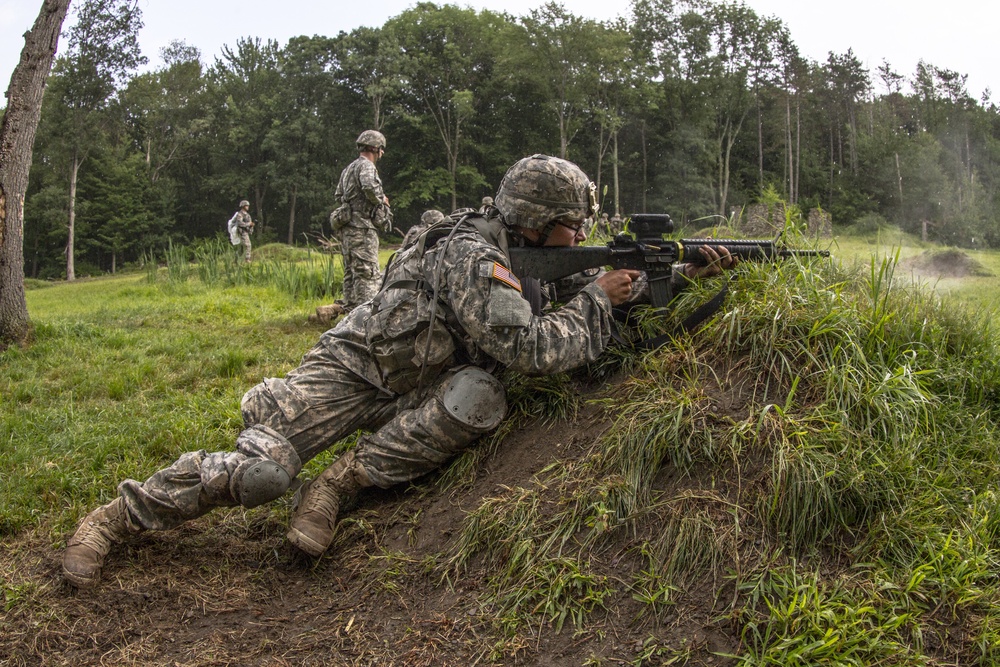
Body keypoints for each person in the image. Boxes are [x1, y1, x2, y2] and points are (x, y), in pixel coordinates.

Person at [61, 154, 736, 587]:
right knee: (264, 472)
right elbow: (533, 347)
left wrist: (669, 274)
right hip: (350, 371)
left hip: (417, 387)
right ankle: (117, 515)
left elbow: (576, 289)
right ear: (535, 223)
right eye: (572, 225)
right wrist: (598, 299)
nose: (579, 236)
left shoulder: (530, 253)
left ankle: (340, 484)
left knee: (479, 394)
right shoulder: (476, 255)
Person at [331, 130, 390, 312]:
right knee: (367, 273)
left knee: (351, 272)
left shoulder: (348, 168)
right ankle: (367, 317)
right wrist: (382, 199)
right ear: (376, 148)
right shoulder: (367, 167)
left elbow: (339, 195)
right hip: (362, 228)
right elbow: (368, 186)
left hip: (348, 228)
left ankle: (350, 311)